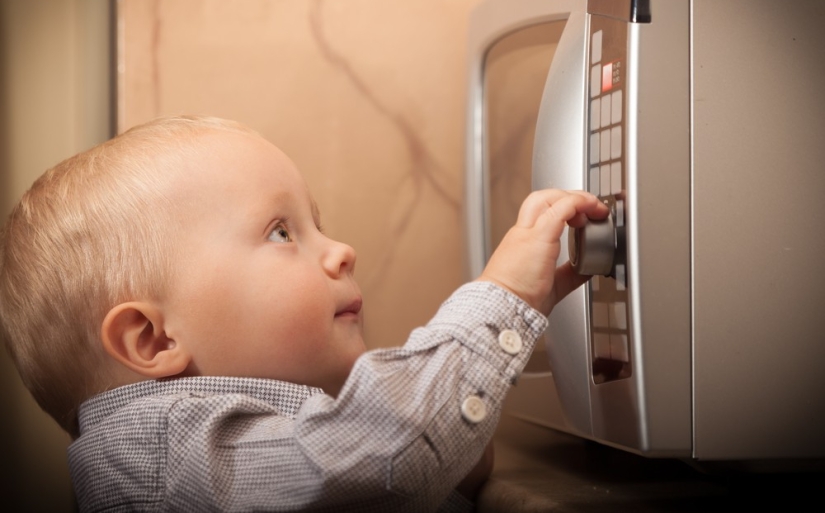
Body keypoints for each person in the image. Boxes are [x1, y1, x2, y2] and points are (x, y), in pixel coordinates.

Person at [0, 115, 607, 512]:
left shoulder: (241, 444)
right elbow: (393, 455)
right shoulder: (158, 451)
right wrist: (504, 297)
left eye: (319, 224)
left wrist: (454, 444)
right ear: (153, 340)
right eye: (282, 232)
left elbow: (408, 468)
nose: (342, 252)